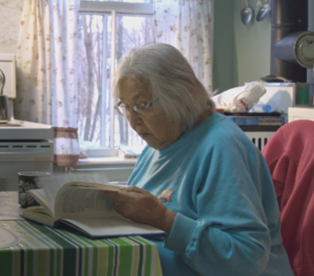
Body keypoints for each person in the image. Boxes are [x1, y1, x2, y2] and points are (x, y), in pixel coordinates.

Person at [103, 44, 293, 276]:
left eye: (142, 106)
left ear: (180, 95)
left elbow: (247, 259)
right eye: (126, 107)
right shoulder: (160, 141)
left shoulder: (222, 146)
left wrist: (164, 219)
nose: (133, 121)